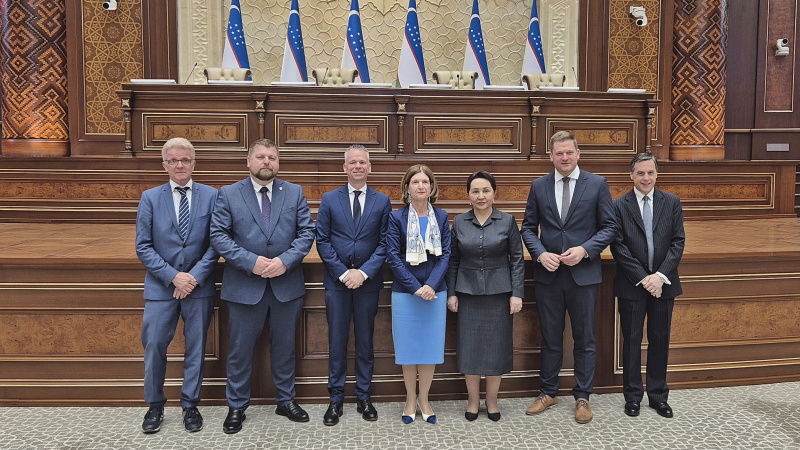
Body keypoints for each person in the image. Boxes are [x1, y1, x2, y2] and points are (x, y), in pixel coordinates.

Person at [210, 139, 315, 434]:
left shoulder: (293, 192)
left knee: (285, 348)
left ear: (278, 162)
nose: (266, 161)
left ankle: (286, 401)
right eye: (260, 157)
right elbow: (219, 235)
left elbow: (307, 233)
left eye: (271, 157)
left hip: (286, 284)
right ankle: (236, 407)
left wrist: (285, 261)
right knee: (240, 350)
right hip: (244, 285)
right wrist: (251, 262)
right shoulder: (229, 193)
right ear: (248, 161)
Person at [521, 131, 617, 424]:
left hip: (583, 275)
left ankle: (583, 396)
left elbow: (610, 227)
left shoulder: (597, 184)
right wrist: (540, 254)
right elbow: (528, 228)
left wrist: (585, 250)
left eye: (569, 152)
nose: (565, 158)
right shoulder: (539, 185)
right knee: (550, 338)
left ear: (578, 154)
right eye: (559, 153)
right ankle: (548, 392)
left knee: (584, 338)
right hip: (549, 275)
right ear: (551, 156)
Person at [135, 137, 218, 433]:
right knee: (155, 345)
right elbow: (143, 246)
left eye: (185, 160)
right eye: (173, 160)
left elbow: (217, 243)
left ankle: (190, 405)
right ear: (165, 165)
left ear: (194, 163)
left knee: (196, 347)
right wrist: (173, 276)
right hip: (161, 287)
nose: (180, 165)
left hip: (199, 287)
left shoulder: (212, 196)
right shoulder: (150, 198)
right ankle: (155, 405)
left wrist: (191, 277)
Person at [315, 145, 392, 426]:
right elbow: (322, 240)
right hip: (337, 284)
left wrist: (363, 273)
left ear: (369, 167)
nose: (357, 166)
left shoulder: (382, 201)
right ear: (344, 167)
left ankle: (364, 397)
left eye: (362, 162)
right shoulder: (329, 198)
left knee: (365, 341)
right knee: (337, 342)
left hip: (367, 284)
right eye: (352, 162)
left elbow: (385, 243)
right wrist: (343, 273)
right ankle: (335, 399)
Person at [610, 153, 685, 419]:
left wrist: (659, 276)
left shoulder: (671, 202)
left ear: (656, 174)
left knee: (660, 340)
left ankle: (658, 396)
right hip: (632, 284)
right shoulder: (618, 205)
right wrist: (644, 278)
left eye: (650, 173)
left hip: (664, 284)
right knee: (631, 341)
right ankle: (632, 397)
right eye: (640, 173)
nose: (646, 178)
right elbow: (618, 246)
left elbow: (678, 242)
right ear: (631, 175)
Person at [446, 171, 525, 422]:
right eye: (475, 191)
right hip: (467, 293)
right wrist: (451, 293)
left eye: (486, 190)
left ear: (494, 193)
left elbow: (517, 260)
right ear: (468, 195)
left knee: (496, 349)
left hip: (499, 294)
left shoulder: (507, 221)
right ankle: (472, 400)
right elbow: (452, 261)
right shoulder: (459, 222)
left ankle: (492, 401)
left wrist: (517, 294)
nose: (481, 196)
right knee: (469, 349)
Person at [385, 164, 451, 424]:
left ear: (432, 187)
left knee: (429, 349)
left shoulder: (442, 216)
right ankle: (410, 399)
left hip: (435, 293)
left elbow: (446, 254)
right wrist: (415, 287)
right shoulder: (396, 218)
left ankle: (424, 399)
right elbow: (392, 255)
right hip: (406, 293)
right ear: (407, 187)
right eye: (415, 182)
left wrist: (431, 285)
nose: (421, 186)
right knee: (409, 349)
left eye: (425, 182)